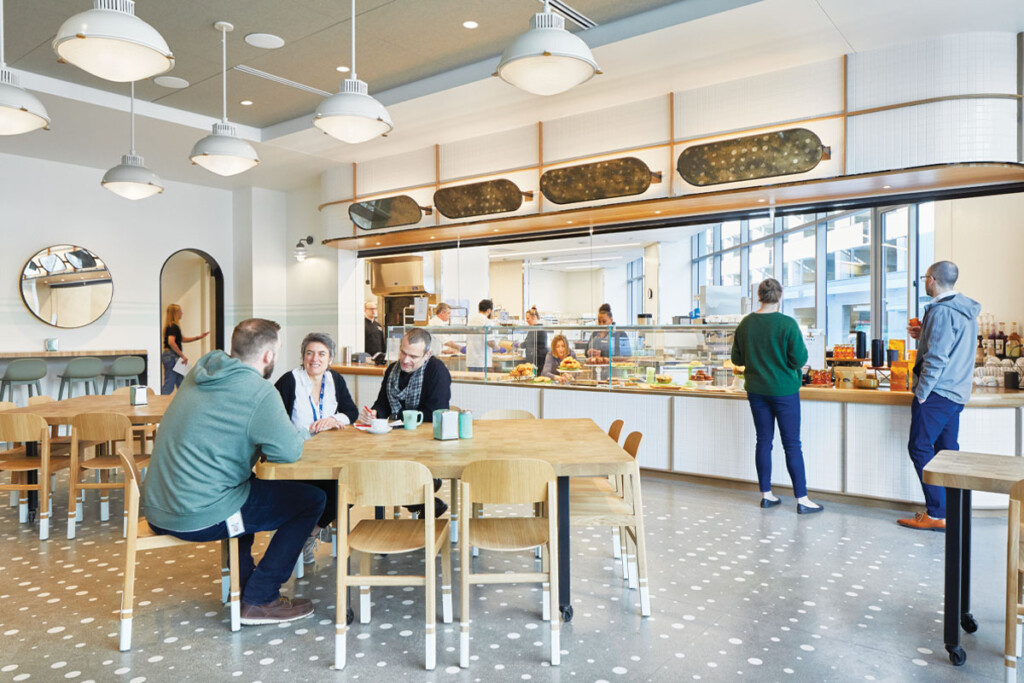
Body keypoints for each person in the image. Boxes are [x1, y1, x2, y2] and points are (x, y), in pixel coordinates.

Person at [144, 319, 323, 625]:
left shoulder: (203, 370)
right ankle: (260, 599)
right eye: (277, 351)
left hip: (157, 507)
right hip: (195, 514)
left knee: (248, 489)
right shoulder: (259, 392)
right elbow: (288, 451)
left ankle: (242, 586)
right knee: (312, 500)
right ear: (268, 356)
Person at [898, 261, 980, 531]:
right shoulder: (963, 308)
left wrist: (922, 393)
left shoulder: (942, 312)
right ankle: (949, 511)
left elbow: (936, 358)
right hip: (956, 392)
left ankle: (936, 513)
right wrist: (924, 335)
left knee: (919, 447)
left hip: (937, 392)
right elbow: (952, 345)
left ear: (931, 280)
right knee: (946, 452)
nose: (925, 281)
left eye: (925, 278)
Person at [731, 278, 822, 514]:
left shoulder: (746, 324)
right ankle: (802, 500)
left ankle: (766, 495)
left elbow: (737, 360)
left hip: (756, 390)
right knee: (792, 444)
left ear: (758, 296)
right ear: (780, 297)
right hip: (784, 391)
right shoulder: (788, 324)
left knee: (763, 441)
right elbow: (799, 360)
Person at [274, 332, 359, 563]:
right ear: (302, 357)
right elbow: (273, 423)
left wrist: (334, 420)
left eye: (322, 354)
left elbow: (352, 412)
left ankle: (309, 533)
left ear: (330, 359)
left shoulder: (335, 380)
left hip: (329, 455)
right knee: (322, 494)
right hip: (297, 458)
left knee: (353, 486)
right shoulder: (289, 381)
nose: (315, 359)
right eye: (309, 353)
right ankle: (306, 532)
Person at [360, 328, 451, 517]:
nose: (405, 360)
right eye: (403, 352)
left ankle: (424, 495)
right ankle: (425, 502)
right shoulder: (392, 370)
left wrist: (395, 419)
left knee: (382, 473)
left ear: (427, 355)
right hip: (394, 443)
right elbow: (382, 403)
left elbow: (434, 413)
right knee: (373, 470)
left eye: (413, 356)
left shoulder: (437, 371)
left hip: (426, 445)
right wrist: (375, 413)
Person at [161, 303, 209, 394]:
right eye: (180, 311)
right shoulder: (173, 327)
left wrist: (198, 337)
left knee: (181, 383)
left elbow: (182, 339)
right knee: (169, 385)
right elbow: (171, 342)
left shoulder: (172, 327)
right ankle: (162, 406)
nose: (182, 313)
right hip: (172, 357)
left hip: (172, 356)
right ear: (175, 313)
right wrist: (182, 355)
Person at [466, 299, 497, 372]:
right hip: (482, 361)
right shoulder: (487, 322)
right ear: (489, 311)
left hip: (471, 360)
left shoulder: (471, 320)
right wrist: (498, 347)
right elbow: (490, 342)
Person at [364, 300, 386, 365]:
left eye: (375, 309)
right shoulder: (362, 325)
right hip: (368, 359)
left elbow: (382, 342)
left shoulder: (378, 325)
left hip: (379, 358)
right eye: (371, 309)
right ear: (365, 310)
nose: (373, 311)